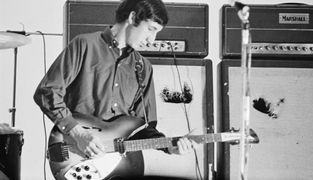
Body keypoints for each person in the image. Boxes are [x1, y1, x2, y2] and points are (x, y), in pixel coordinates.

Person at [34, 0, 196, 178]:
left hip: (121, 166)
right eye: (151, 29)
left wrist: (170, 146)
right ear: (133, 17)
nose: (152, 40)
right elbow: (47, 91)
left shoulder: (144, 68)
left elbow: (143, 128)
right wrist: (78, 133)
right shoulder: (84, 45)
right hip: (78, 158)